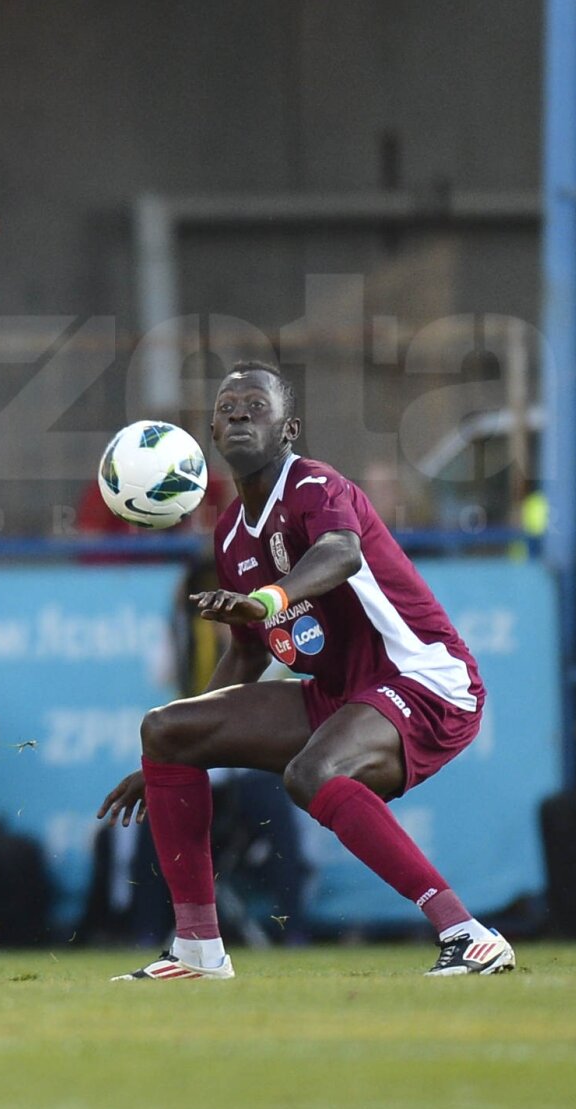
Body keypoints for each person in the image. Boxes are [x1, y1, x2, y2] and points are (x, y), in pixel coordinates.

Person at [98, 361, 516, 980]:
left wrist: (268, 600)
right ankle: (197, 951)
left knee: (312, 772)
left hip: (425, 679)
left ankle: (469, 934)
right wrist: (178, 753)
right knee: (165, 729)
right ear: (212, 433)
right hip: (340, 694)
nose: (240, 414)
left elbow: (340, 552)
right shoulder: (230, 535)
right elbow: (248, 655)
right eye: (227, 408)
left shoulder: (316, 485)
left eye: (256, 405)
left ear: (288, 429)